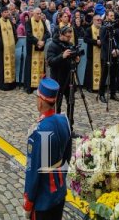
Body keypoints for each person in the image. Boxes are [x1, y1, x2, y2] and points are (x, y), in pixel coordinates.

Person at [23, 77, 72, 220]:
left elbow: (33, 172)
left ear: (40, 101)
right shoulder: (64, 121)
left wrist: (28, 203)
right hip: (60, 192)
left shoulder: (37, 132)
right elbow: (67, 157)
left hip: (43, 201)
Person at [44, 26, 79, 129]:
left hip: (69, 79)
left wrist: (76, 61)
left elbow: (72, 63)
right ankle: (56, 127)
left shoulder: (70, 45)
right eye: (67, 36)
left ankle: (69, 126)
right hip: (58, 80)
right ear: (61, 34)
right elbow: (50, 62)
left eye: (70, 36)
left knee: (71, 103)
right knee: (57, 105)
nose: (69, 38)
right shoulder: (53, 45)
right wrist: (62, 56)